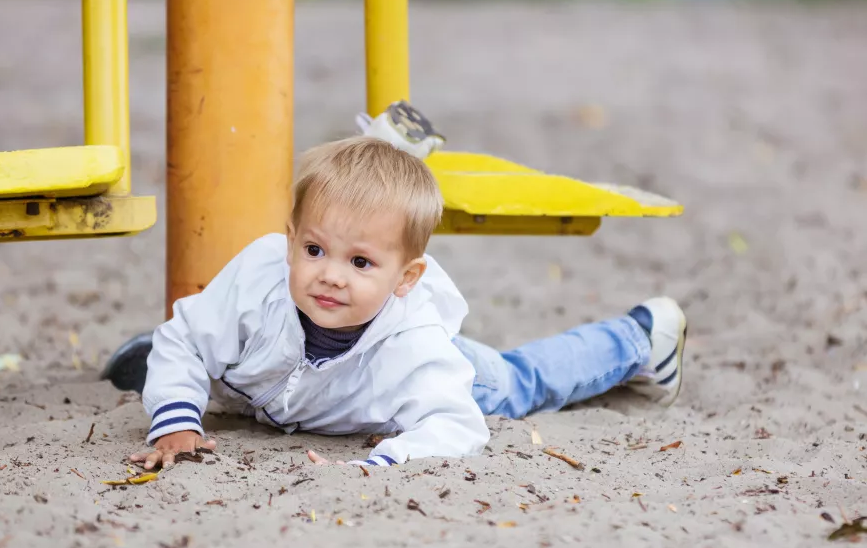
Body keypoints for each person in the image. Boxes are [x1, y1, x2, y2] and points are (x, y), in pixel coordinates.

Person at [131, 136, 685, 471]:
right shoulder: (260, 276)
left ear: (406, 276)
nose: (330, 276)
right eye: (315, 249)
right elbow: (183, 338)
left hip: (432, 373)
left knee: (520, 382)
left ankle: (640, 340)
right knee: (198, 349)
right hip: (293, 391)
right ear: (291, 236)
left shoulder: (416, 349)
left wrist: (385, 460)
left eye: (361, 263)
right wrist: (176, 418)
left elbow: (457, 424)